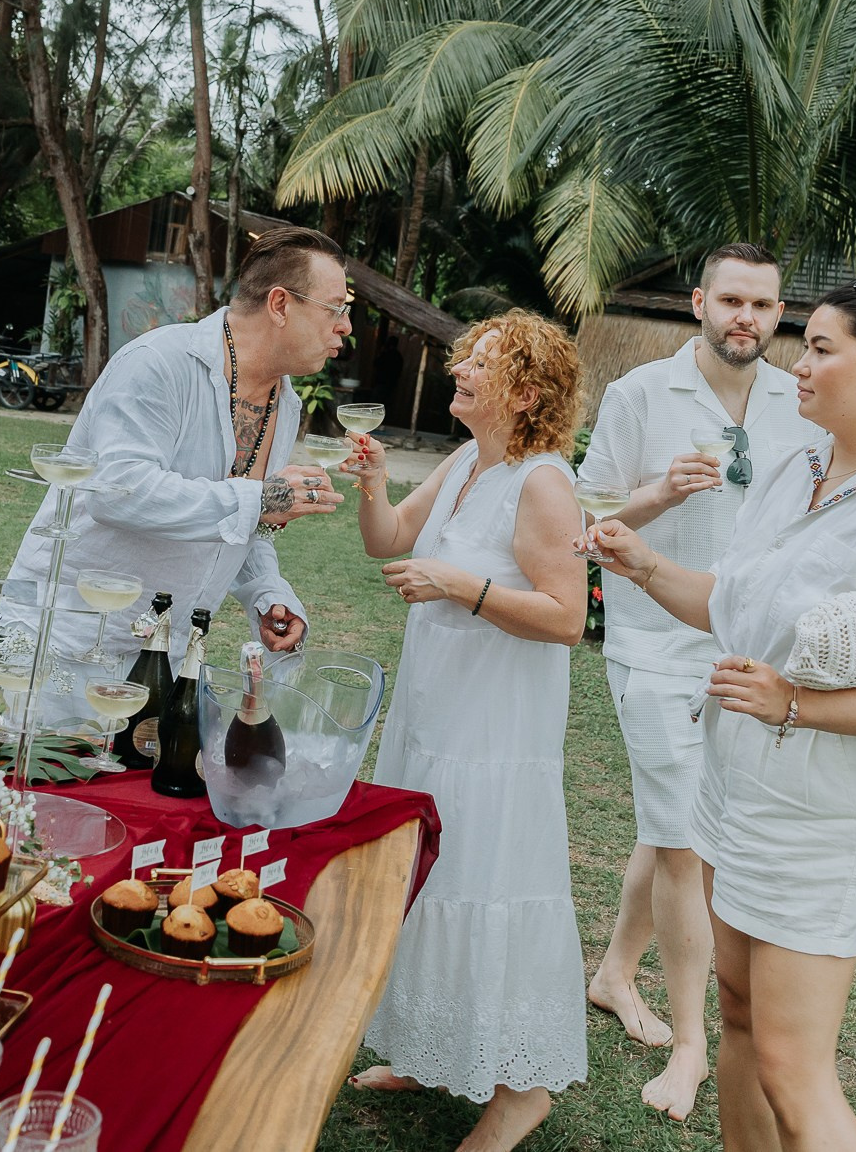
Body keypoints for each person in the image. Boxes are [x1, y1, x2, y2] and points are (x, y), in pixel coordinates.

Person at [588, 278, 856, 1152]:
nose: (797, 363)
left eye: (819, 348)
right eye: (802, 344)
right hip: (734, 786)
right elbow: (732, 607)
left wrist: (797, 703)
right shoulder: (794, 467)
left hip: (827, 815)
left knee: (793, 1063)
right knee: (737, 1014)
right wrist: (643, 565)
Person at [346, 311, 590, 1152]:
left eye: (481, 364)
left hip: (496, 731)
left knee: (486, 875)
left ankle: (521, 1093)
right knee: (429, 876)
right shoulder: (464, 462)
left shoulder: (544, 482)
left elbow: (567, 619)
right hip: (434, 711)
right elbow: (389, 541)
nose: (461, 371)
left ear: (525, 395)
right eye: (467, 358)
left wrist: (459, 584)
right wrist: (374, 484)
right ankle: (427, 1047)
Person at [574, 242, 803, 1120]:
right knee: (686, 849)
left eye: (763, 305)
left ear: (778, 315)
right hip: (656, 647)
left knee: (676, 826)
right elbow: (584, 519)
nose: (746, 317)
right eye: (732, 300)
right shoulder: (640, 395)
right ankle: (691, 1043)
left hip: (747, 652)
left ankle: (612, 972)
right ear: (699, 301)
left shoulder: (797, 402)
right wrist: (661, 494)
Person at [0, 225, 354, 680]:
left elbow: (244, 523)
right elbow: (119, 491)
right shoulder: (159, 363)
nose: (345, 325)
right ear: (280, 304)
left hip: (168, 651)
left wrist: (266, 592)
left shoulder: (286, 404)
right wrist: (261, 498)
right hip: (66, 640)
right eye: (335, 309)